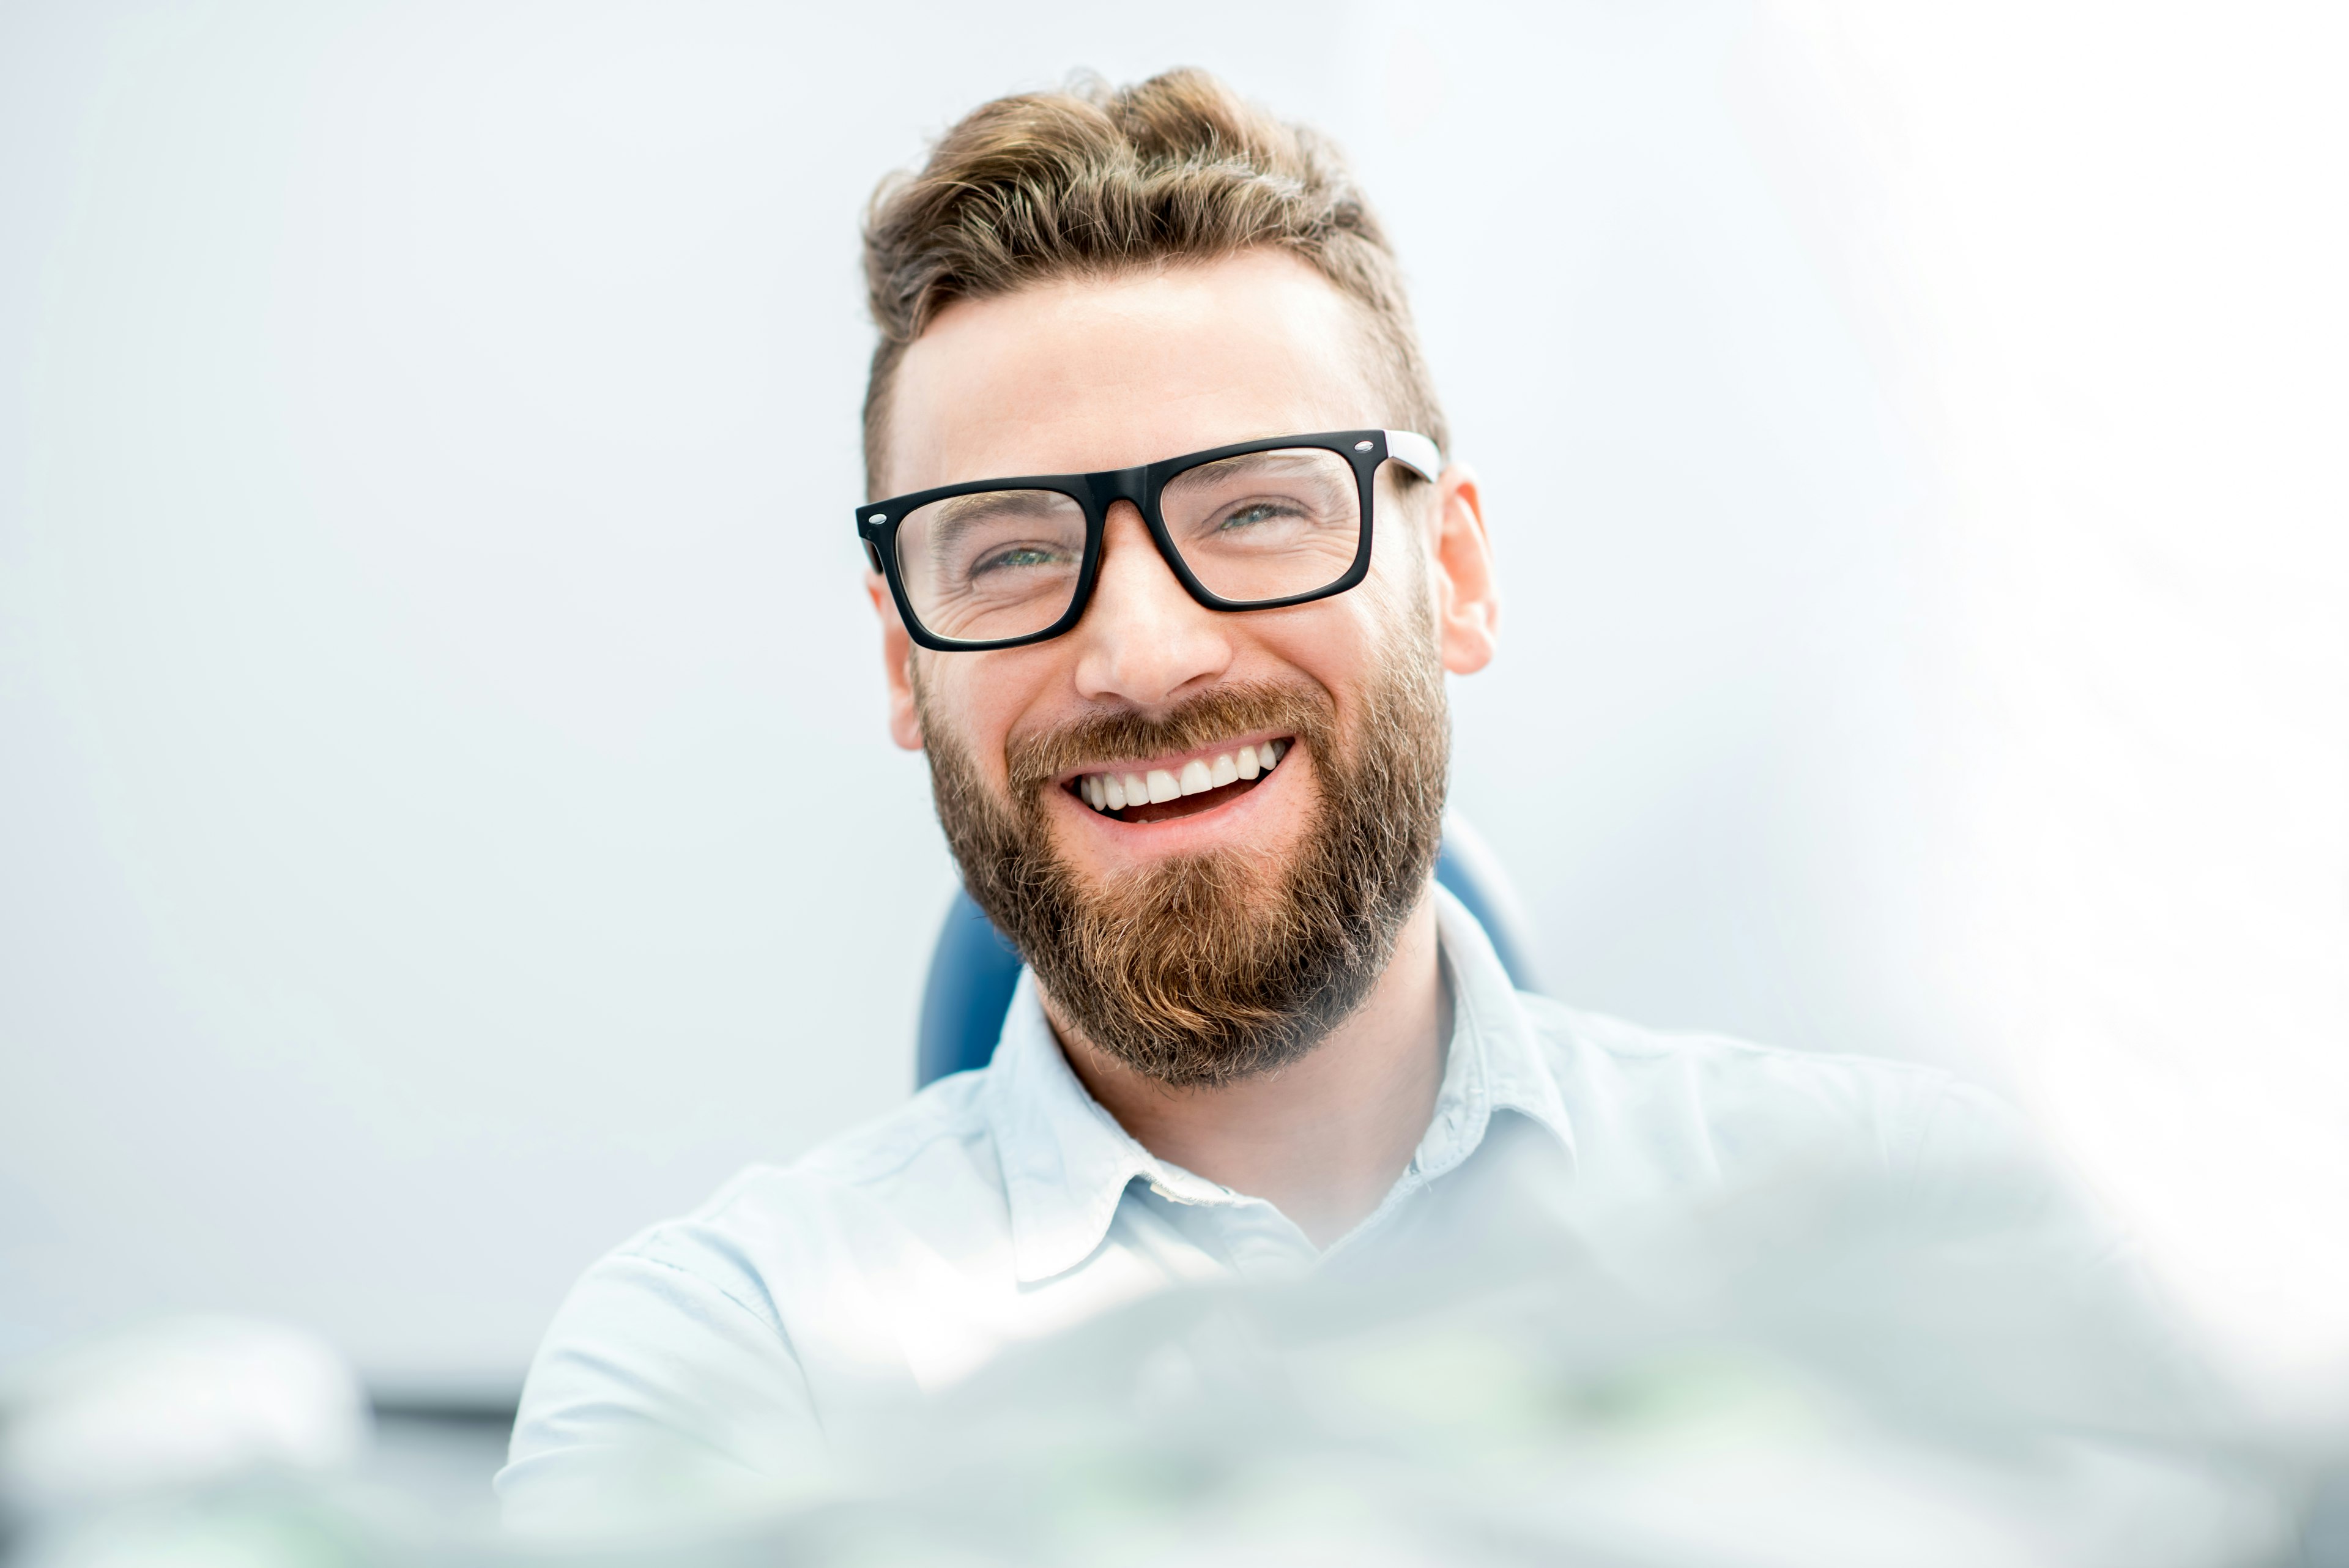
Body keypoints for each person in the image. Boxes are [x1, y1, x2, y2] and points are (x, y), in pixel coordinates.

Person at [494, 69, 2151, 1536]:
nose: (1140, 653)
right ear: (899, 658)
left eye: (1263, 510)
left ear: (1457, 570)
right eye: (1006, 551)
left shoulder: (1913, 1232)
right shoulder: (728, 1367)